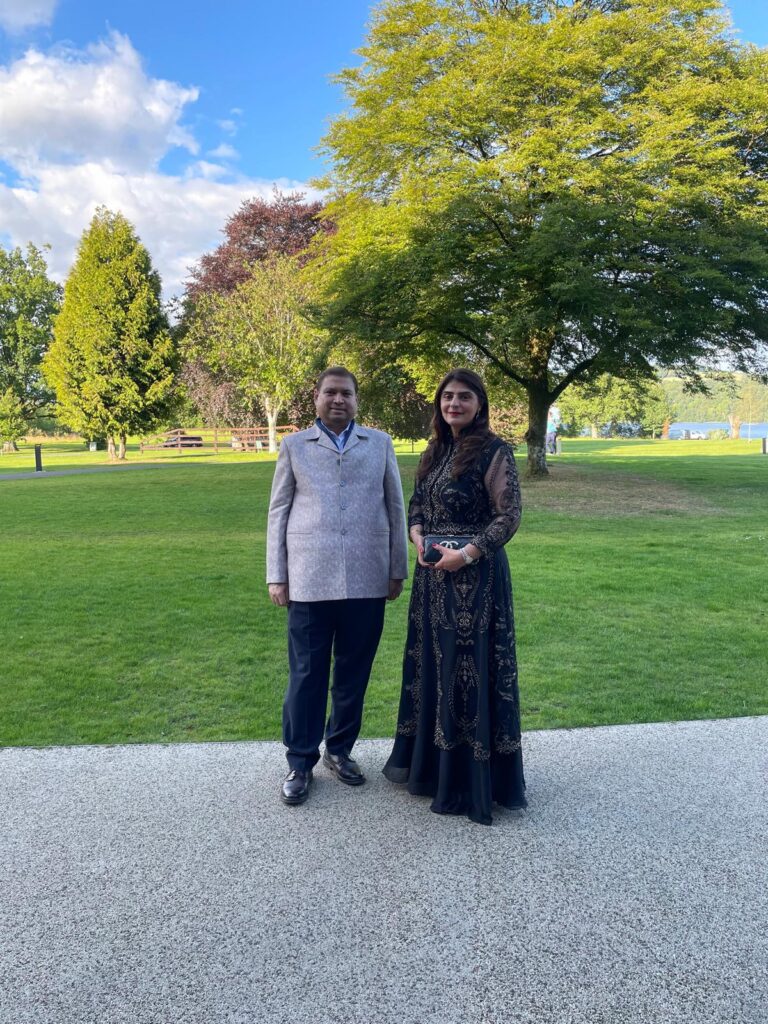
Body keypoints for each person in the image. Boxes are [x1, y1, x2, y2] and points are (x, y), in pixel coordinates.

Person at [383, 369, 526, 825]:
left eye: (464, 397)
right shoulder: (436, 450)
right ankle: (432, 768)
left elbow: (509, 515)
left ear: (479, 404)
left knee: (470, 671)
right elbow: (419, 505)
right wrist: (417, 534)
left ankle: (471, 778)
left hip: (475, 582)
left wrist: (464, 554)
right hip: (432, 581)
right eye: (447, 397)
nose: (454, 404)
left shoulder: (493, 451)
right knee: (434, 669)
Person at [266, 366, 409, 806]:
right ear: (316, 398)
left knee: (353, 674)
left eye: (346, 393)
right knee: (307, 675)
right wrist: (277, 573)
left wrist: (397, 568)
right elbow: (278, 511)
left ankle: (340, 750)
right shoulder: (294, 447)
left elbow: (395, 505)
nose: (338, 400)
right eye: (330, 393)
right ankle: (300, 761)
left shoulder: (379, 444)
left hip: (367, 578)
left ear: (356, 400)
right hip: (309, 579)